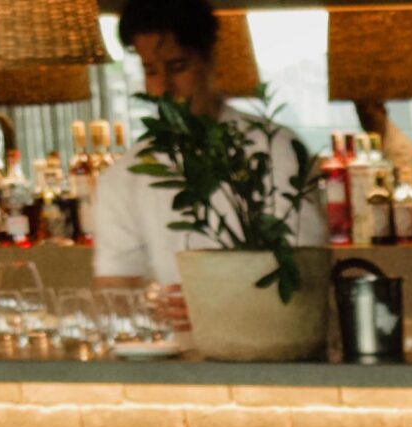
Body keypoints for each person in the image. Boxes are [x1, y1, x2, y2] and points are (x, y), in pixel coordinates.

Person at [95, 0, 326, 327]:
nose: (164, 87)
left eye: (177, 67)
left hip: (274, 345)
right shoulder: (126, 174)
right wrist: (151, 307)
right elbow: (115, 290)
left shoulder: (276, 151)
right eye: (150, 71)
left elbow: (306, 267)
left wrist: (218, 305)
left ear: (210, 61)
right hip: (171, 361)